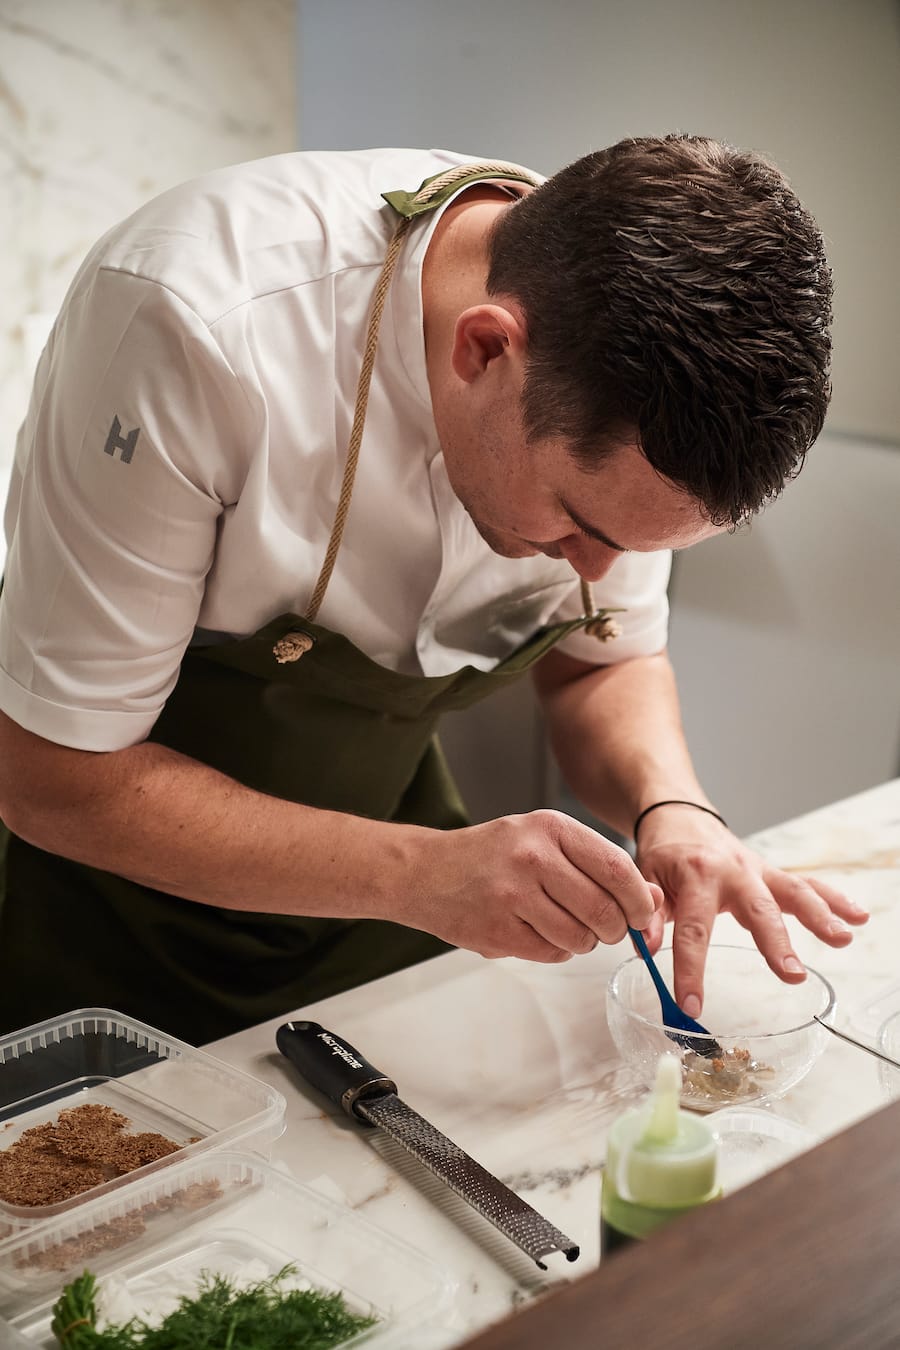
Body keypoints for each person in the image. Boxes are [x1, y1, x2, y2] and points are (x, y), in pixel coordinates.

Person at [0, 134, 867, 1045]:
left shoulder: (641, 369)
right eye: (578, 522)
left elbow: (600, 665)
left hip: (387, 906)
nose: (592, 570)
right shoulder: (193, 320)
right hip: (112, 928)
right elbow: (54, 781)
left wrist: (673, 808)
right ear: (485, 348)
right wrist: (419, 876)